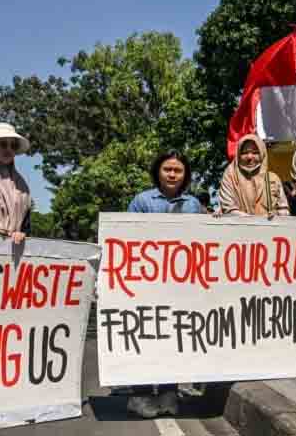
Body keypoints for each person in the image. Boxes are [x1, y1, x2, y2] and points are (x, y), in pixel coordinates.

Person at [124, 150, 201, 419]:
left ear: (185, 175)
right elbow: (126, 238)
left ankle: (169, 393)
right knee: (143, 335)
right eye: (167, 169)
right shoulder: (142, 200)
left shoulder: (193, 205)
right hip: (145, 283)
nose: (172, 174)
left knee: (173, 336)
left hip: (179, 285)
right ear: (158, 171)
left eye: (178, 170)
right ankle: (141, 394)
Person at [218, 134, 289, 217]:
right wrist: (252, 221)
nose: (249, 157)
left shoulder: (273, 178)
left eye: (255, 153)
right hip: (239, 228)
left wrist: (277, 214)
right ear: (238, 155)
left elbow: (284, 210)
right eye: (244, 153)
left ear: (262, 153)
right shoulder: (230, 176)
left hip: (268, 228)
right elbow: (228, 208)